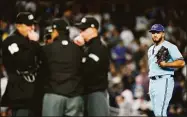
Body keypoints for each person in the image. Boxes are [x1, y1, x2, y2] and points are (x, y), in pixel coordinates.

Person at [41, 18, 84, 116]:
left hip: (54, 95)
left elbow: (41, 71)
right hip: (75, 96)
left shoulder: (47, 49)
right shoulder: (78, 49)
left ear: (55, 31)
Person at [1, 12, 41, 117]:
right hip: (19, 93)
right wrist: (33, 43)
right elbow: (23, 62)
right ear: (18, 26)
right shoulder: (10, 41)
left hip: (34, 92)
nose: (32, 28)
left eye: (33, 24)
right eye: (28, 25)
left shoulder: (31, 41)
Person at [147, 24, 185, 116]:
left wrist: (166, 64)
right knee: (156, 112)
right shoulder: (150, 49)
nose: (155, 34)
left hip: (164, 80)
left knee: (161, 111)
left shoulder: (170, 46)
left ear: (163, 34)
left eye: (157, 32)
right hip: (152, 81)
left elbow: (181, 62)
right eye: (153, 32)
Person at [75, 17, 110, 116]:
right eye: (80, 29)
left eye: (84, 29)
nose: (81, 32)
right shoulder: (87, 47)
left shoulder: (98, 47)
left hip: (96, 93)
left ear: (93, 30)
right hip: (86, 93)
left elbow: (89, 69)